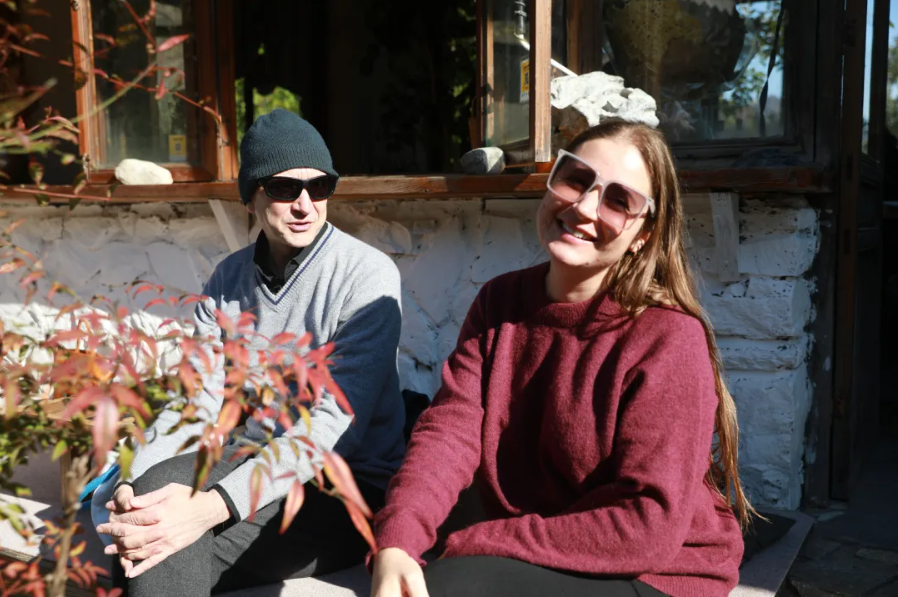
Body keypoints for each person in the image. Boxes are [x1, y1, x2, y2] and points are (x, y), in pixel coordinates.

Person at [370, 120, 749, 597]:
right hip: (548, 538)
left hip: (653, 569)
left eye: (619, 201)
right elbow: (450, 431)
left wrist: (479, 543)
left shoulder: (668, 338)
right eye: (576, 179)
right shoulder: (500, 302)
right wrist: (397, 540)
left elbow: (646, 523)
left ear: (643, 235)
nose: (584, 207)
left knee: (457, 586)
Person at [93, 109, 407, 596]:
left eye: (319, 187)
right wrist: (129, 484)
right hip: (248, 459)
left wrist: (213, 506)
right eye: (284, 188)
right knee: (148, 506)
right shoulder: (228, 278)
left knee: (151, 546)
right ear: (251, 197)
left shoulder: (367, 276)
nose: (305, 205)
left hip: (343, 489)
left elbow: (333, 427)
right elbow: (194, 402)